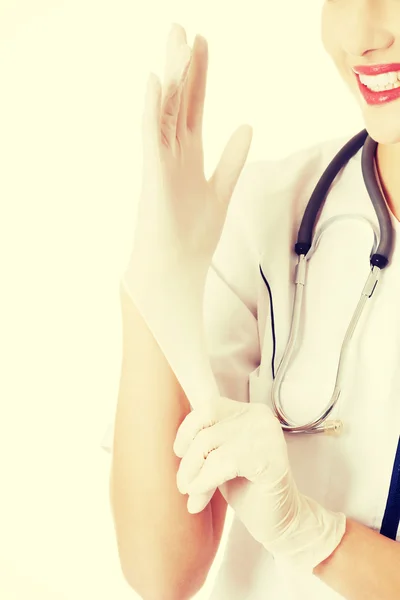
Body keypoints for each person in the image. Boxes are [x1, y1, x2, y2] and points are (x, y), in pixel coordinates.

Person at [101, 3, 400, 598]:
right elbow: (163, 572)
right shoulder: (268, 211)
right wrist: (155, 281)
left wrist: (315, 537)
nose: (363, 35)